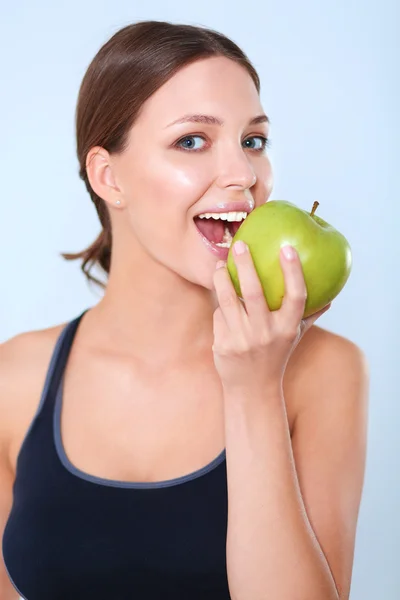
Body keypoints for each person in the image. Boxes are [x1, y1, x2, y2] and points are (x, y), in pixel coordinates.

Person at [0, 20, 369, 600]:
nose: (245, 176)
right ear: (108, 175)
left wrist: (253, 390)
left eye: (254, 141)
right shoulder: (14, 379)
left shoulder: (325, 371)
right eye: (192, 140)